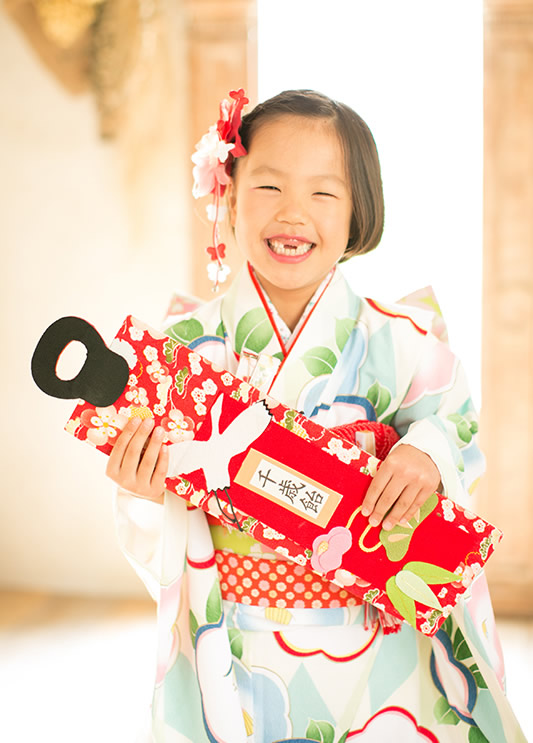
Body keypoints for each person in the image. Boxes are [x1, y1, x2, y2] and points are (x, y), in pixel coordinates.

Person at [107, 90, 525, 742]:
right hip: (230, 639)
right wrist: (142, 493)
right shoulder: (183, 350)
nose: (292, 212)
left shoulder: (403, 341)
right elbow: (158, 516)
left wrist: (426, 452)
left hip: (374, 641)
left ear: (359, 211)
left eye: (323, 193)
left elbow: (456, 431)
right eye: (269, 185)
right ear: (229, 196)